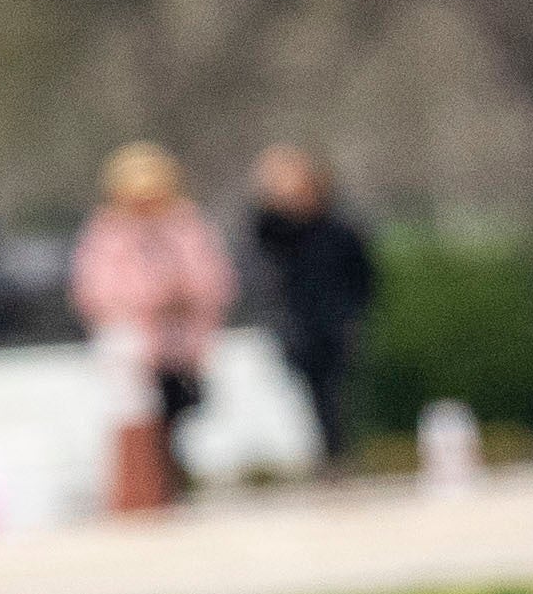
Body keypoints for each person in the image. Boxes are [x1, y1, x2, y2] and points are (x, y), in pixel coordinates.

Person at [69, 138, 230, 515]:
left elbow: (212, 279)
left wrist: (184, 296)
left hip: (181, 343)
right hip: (135, 346)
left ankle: (172, 479)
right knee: (139, 416)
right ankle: (150, 489)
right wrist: (150, 300)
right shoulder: (107, 234)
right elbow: (96, 291)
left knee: (179, 410)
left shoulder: (186, 226)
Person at [244, 143, 383, 473]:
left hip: (336, 322)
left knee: (336, 392)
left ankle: (339, 454)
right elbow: (260, 245)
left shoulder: (337, 227)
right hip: (296, 324)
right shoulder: (276, 231)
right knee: (310, 394)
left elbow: (363, 274)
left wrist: (354, 312)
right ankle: (329, 454)